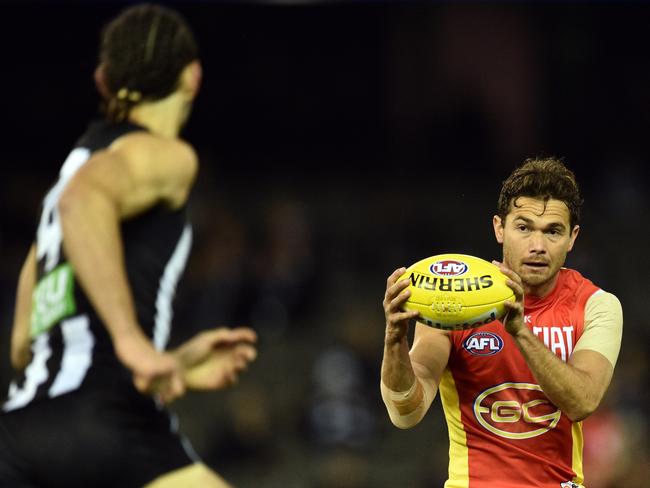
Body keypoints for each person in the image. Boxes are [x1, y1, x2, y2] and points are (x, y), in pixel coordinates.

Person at [0, 4, 257, 487]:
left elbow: (22, 343)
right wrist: (132, 342)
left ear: (103, 80)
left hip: (17, 436)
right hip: (105, 424)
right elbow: (85, 202)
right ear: (192, 77)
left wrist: (174, 362)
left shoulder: (63, 183)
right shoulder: (163, 156)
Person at [380, 158, 623, 488]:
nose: (537, 246)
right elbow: (405, 412)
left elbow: (583, 402)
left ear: (572, 237)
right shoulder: (452, 304)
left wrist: (520, 331)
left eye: (553, 231)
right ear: (499, 228)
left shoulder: (597, 306)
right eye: (523, 228)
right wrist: (394, 341)